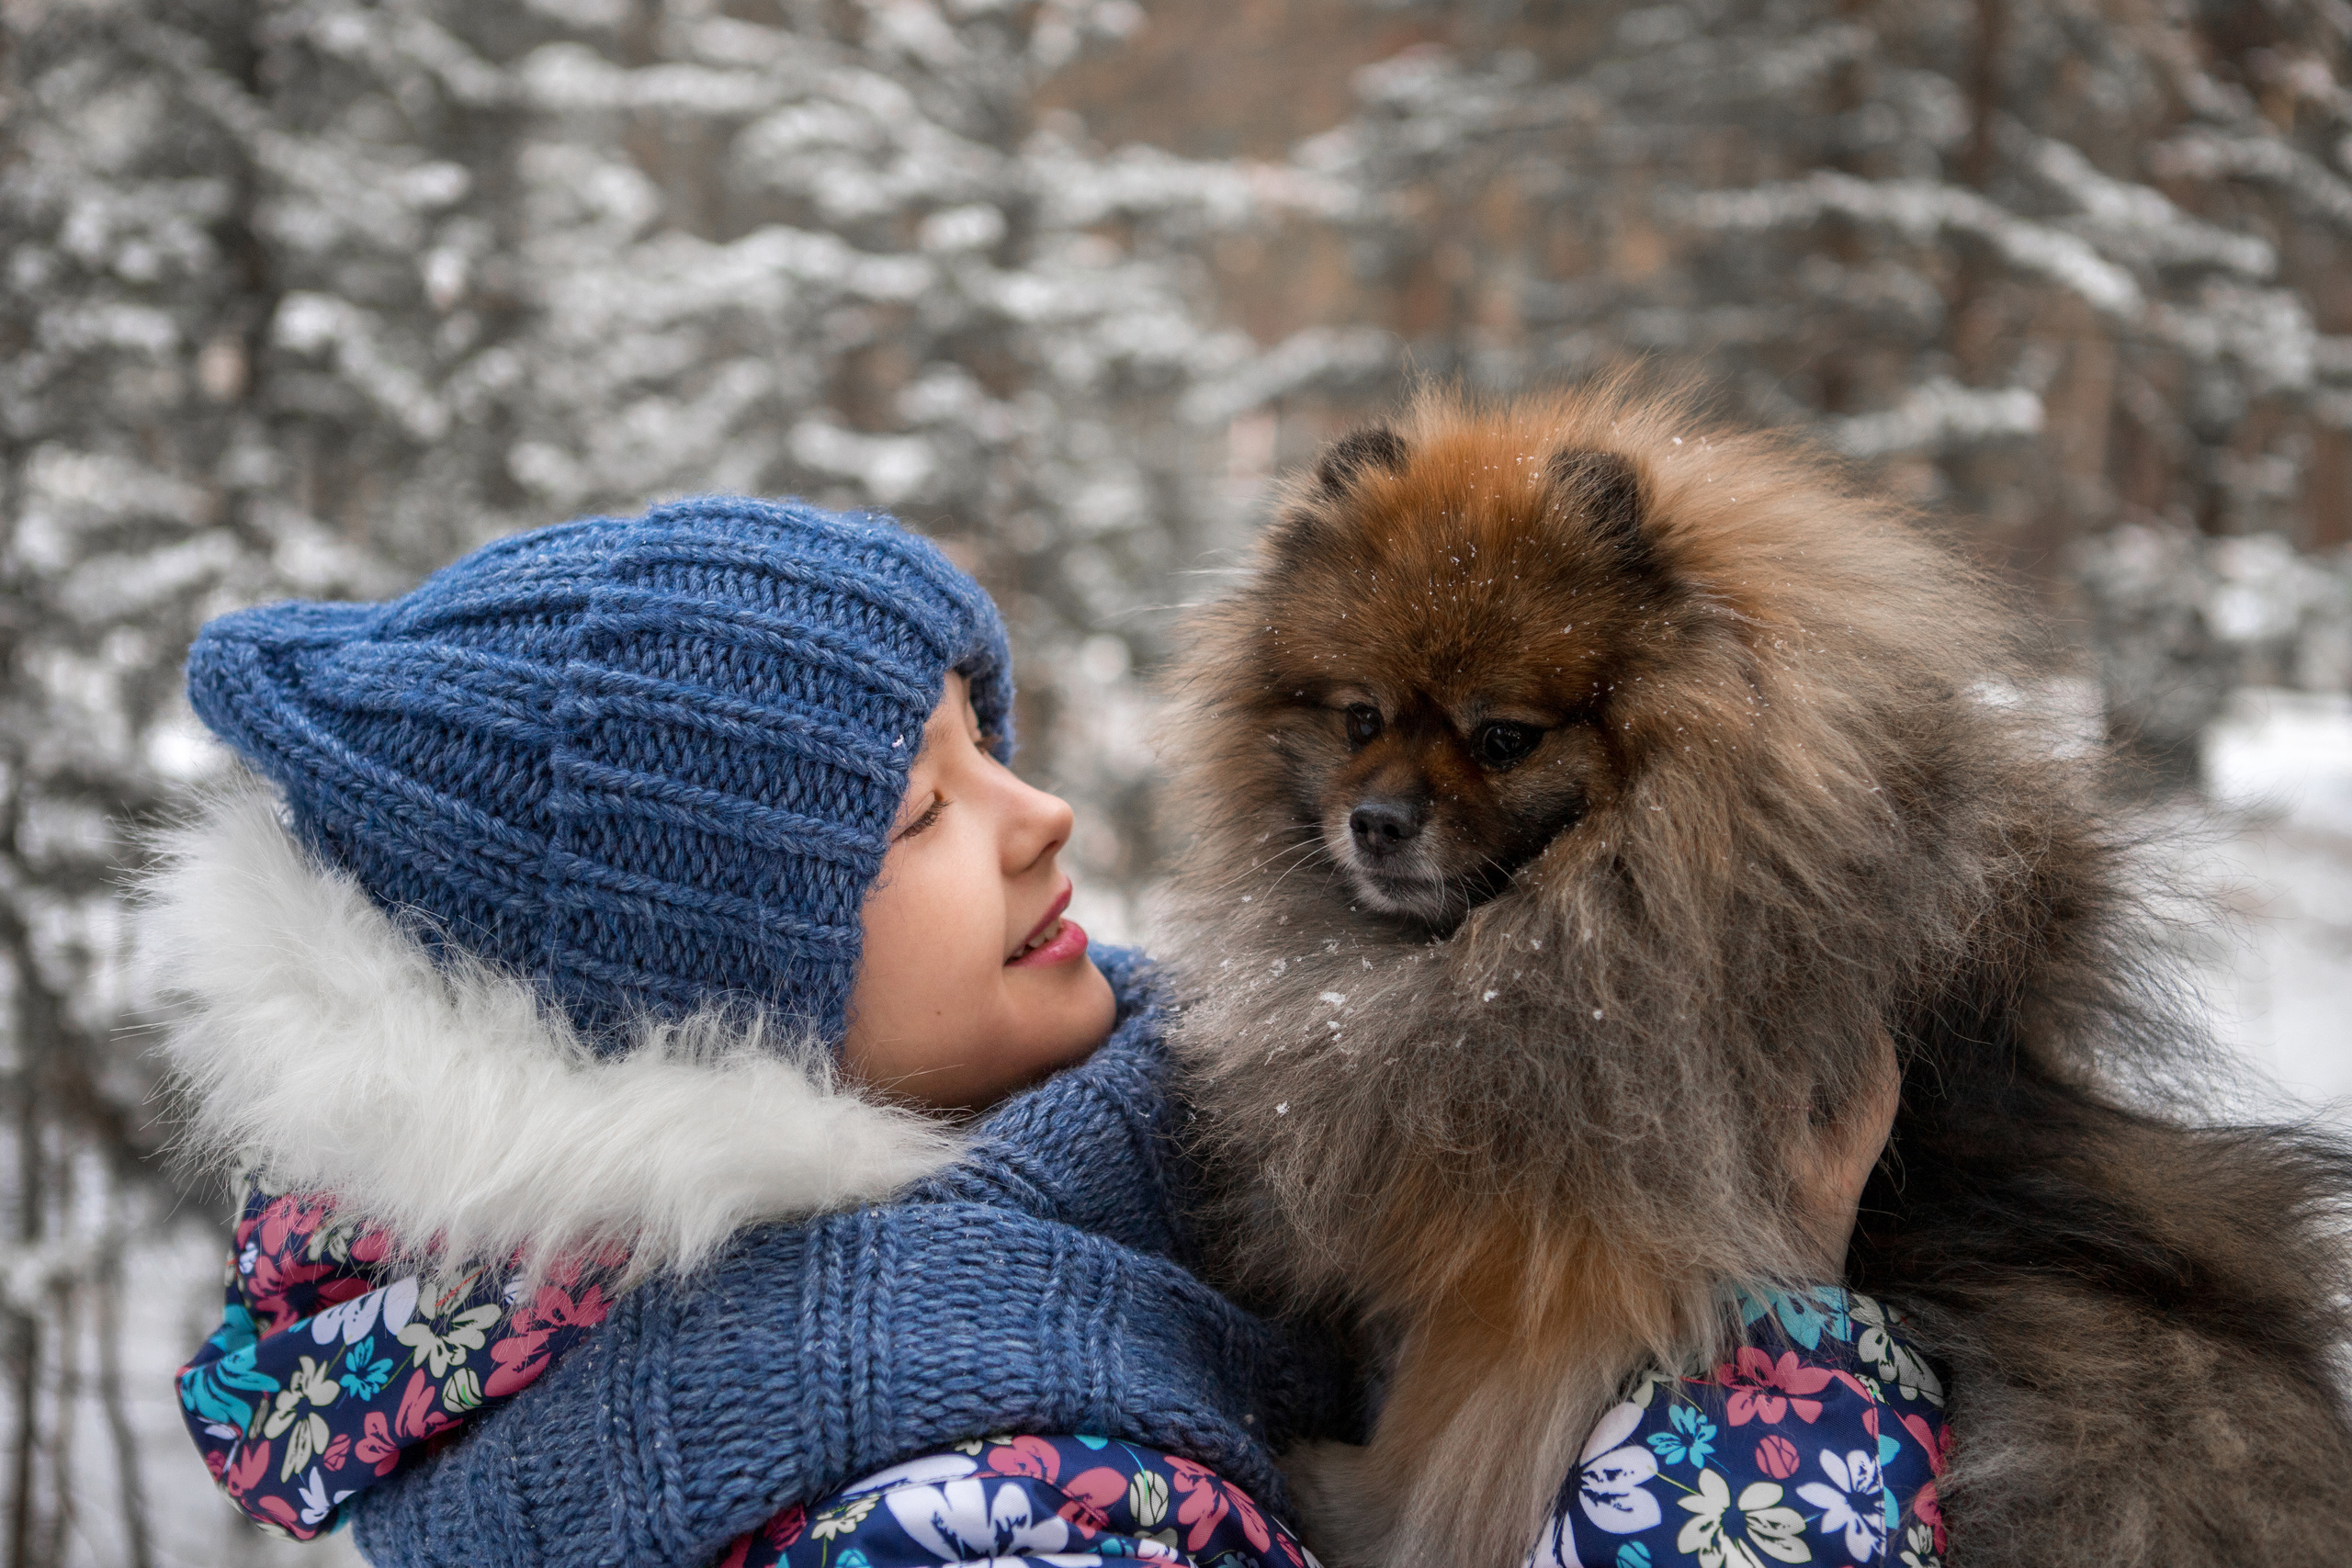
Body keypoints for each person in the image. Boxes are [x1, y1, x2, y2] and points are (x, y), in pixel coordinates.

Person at [155, 497, 1924, 1568]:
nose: (1044, 814)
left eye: (990, 742)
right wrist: (1766, 1363)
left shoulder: (1102, 1200)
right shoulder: (987, 1511)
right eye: (921, 813)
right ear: (706, 1014)